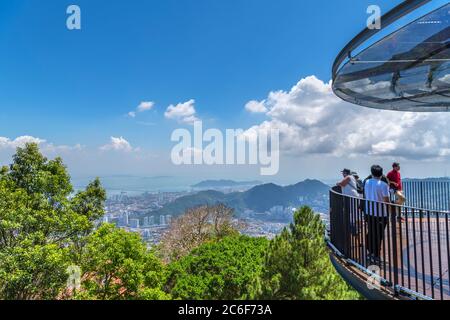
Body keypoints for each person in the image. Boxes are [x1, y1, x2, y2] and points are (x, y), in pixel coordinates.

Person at [364, 165, 390, 263]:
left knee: (371, 232)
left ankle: (370, 253)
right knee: (379, 235)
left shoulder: (367, 182)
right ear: (381, 173)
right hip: (380, 214)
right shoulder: (383, 185)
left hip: (369, 212)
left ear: (372, 173)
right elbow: (386, 200)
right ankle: (376, 256)